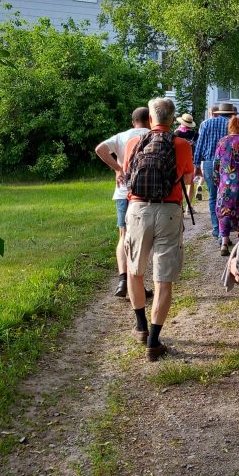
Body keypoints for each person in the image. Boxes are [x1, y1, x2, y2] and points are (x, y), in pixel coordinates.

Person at [121, 97, 194, 361]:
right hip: (169, 211)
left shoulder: (134, 144)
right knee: (163, 279)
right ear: (172, 120)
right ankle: (153, 341)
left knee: (135, 270)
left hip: (138, 210)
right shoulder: (182, 145)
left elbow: (127, 176)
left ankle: (140, 326)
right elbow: (188, 178)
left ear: (151, 119)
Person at [94, 106, 150, 298]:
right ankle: (138, 283)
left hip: (122, 191)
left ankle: (123, 279)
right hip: (143, 193)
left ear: (133, 121)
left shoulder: (122, 136)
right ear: (150, 120)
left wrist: (118, 169)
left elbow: (100, 149)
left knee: (123, 235)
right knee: (141, 239)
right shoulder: (153, 135)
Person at [213, 115, 239, 256]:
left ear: (230, 127)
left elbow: (216, 163)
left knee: (224, 211)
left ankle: (224, 243)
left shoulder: (222, 142)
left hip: (225, 182)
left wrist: (217, 180)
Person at [193, 102, 235, 239]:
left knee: (212, 196)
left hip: (209, 163)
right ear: (231, 114)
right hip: (227, 164)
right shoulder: (231, 125)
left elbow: (199, 144)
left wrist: (196, 165)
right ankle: (225, 231)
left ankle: (216, 229)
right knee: (226, 196)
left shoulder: (206, 124)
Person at [175, 112, 199, 203]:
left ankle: (180, 204)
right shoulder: (195, 134)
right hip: (191, 159)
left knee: (179, 182)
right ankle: (189, 206)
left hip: (179, 160)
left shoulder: (177, 133)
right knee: (190, 183)